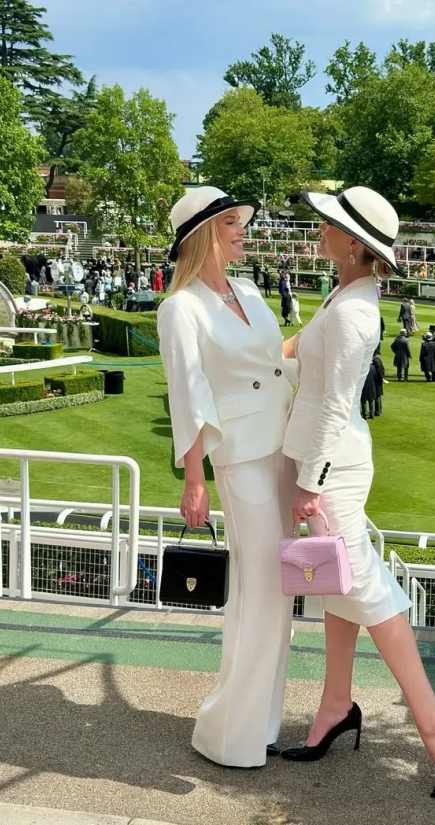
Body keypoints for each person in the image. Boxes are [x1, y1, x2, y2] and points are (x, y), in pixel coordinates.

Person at [281, 186, 435, 798]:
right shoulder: (343, 295)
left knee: (360, 584)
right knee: (339, 583)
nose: (319, 228)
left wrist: (309, 484)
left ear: (353, 242)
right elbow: (303, 361)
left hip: (332, 468)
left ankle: (433, 721)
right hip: (328, 462)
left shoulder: (353, 310)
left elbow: (335, 404)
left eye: (328, 223)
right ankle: (336, 705)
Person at [157, 186, 298, 768]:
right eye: (230, 222)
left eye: (241, 220)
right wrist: (195, 479)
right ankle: (229, 734)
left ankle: (260, 726)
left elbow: (275, 359)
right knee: (259, 590)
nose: (242, 229)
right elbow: (187, 396)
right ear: (203, 235)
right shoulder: (179, 308)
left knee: (278, 590)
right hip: (240, 457)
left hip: (286, 447)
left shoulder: (250, 291)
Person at [372, 349, 385, 417]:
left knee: (377, 396)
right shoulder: (379, 359)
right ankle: (379, 410)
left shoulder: (375, 360)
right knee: (378, 396)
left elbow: (379, 371)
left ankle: (377, 411)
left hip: (377, 381)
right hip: (379, 380)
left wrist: (380, 378)